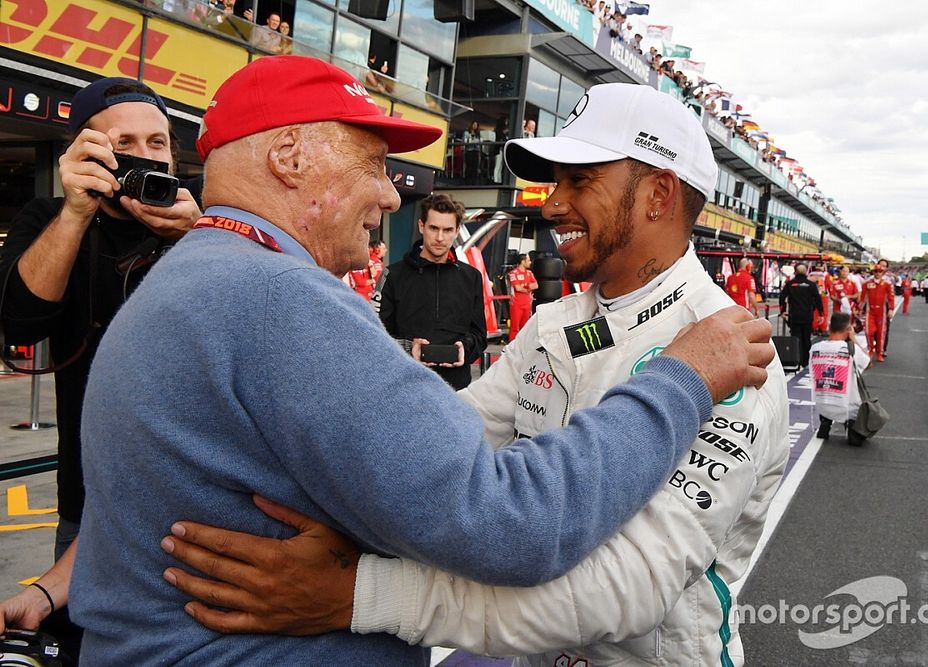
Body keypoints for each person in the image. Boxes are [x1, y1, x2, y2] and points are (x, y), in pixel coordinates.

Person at [0, 60, 775, 664]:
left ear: (658, 196)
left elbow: (620, 584)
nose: (391, 194)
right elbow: (490, 504)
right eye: (373, 161)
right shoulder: (280, 296)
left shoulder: (733, 353)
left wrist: (355, 594)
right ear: (291, 155)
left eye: (578, 180)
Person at [0, 77, 201, 558]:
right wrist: (74, 213)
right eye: (122, 144)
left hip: (194, 505)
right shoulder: (51, 218)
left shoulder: (206, 219)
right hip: (89, 499)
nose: (145, 156)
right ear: (85, 154)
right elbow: (22, 324)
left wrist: (199, 237)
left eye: (156, 143)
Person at [376, 193, 485, 390]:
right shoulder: (393, 275)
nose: (440, 238)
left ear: (457, 231)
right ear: (421, 226)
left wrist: (464, 349)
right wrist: (410, 349)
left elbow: (479, 335)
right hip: (406, 387)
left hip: (457, 390)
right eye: (434, 228)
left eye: (448, 230)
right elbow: (376, 336)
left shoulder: (472, 277)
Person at [809, 312, 870, 447]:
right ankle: (850, 426)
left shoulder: (815, 348)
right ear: (848, 330)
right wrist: (854, 339)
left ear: (830, 327)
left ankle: (826, 422)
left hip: (823, 405)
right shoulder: (850, 349)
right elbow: (868, 363)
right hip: (847, 408)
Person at [780, 263, 824, 367]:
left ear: (795, 272)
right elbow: (818, 299)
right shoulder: (811, 285)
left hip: (794, 316)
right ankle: (805, 360)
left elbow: (782, 297)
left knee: (796, 337)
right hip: (807, 316)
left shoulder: (790, 284)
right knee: (806, 338)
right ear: (806, 272)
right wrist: (821, 314)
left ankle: (796, 359)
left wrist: (782, 311)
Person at [858, 264, 894, 362]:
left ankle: (879, 352)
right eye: (876, 271)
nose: (877, 273)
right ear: (873, 272)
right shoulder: (867, 283)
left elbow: (891, 298)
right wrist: (860, 309)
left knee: (880, 334)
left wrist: (891, 309)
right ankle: (870, 349)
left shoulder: (887, 284)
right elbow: (862, 298)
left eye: (880, 271)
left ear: (883, 273)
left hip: (882, 312)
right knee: (869, 331)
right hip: (870, 312)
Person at [506, 252, 537, 341]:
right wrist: (528, 287)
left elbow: (536, 285)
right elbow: (517, 288)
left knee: (525, 328)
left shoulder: (529, 273)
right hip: (516, 304)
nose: (530, 262)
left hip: (527, 304)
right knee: (514, 327)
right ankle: (512, 346)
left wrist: (524, 286)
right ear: (523, 261)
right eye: (528, 260)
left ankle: (523, 346)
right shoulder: (513, 273)